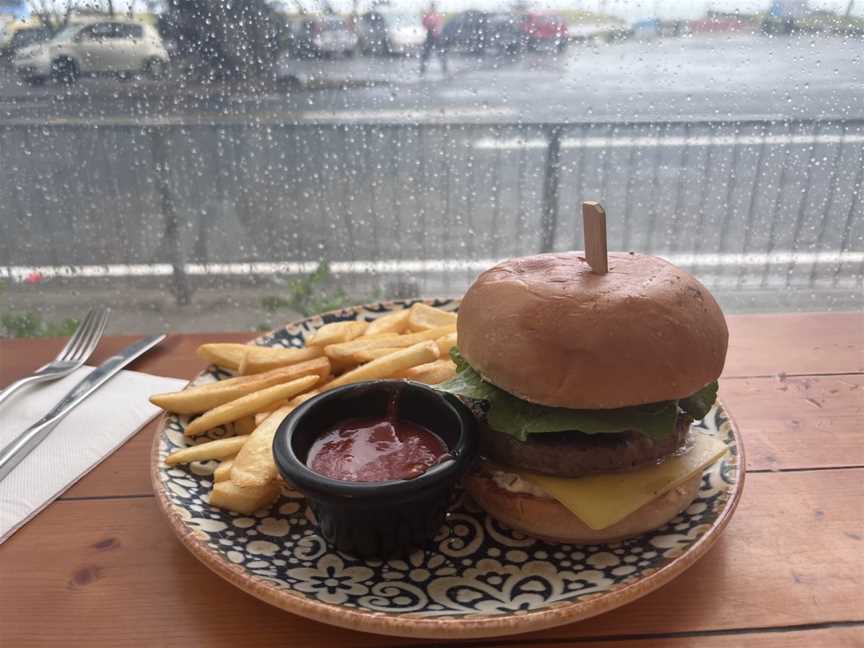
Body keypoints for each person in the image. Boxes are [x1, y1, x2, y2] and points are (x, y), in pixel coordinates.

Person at [420, 3, 447, 75]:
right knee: (426, 53)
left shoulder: (436, 15)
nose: (431, 9)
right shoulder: (429, 15)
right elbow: (424, 24)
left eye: (432, 8)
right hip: (430, 35)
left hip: (436, 36)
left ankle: (444, 68)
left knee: (439, 53)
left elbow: (439, 24)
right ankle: (422, 69)